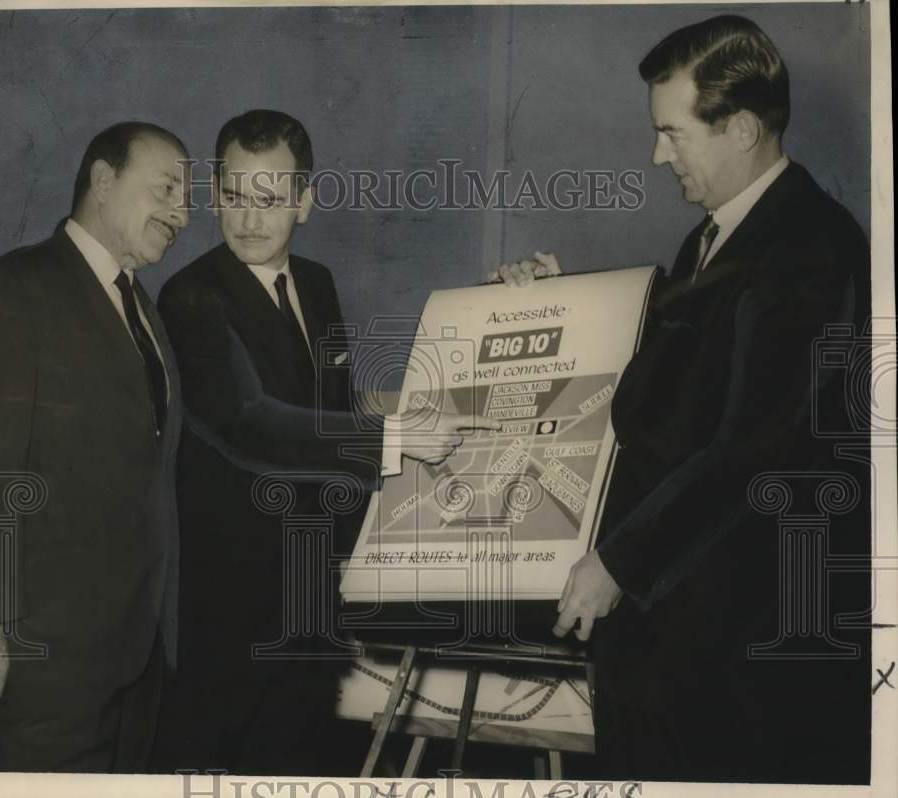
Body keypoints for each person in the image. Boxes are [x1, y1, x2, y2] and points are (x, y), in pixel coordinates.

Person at [497, 15, 870, 783]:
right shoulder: (718, 238)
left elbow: (753, 447)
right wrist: (562, 309)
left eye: (672, 133)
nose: (656, 154)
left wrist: (618, 565)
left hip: (738, 659)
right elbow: (669, 391)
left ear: (738, 128)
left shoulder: (810, 247)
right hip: (674, 642)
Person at [153, 109, 499, 775]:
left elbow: (328, 410)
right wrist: (396, 437)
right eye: (232, 197)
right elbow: (251, 423)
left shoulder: (315, 283)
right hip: (229, 612)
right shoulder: (190, 297)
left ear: (304, 202)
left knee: (305, 764)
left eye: (270, 199)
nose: (249, 219)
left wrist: (485, 324)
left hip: (315, 598)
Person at [0, 122, 190, 772]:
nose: (184, 213)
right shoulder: (19, 288)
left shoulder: (142, 310)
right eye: (168, 189)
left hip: (134, 657)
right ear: (103, 183)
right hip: (44, 655)